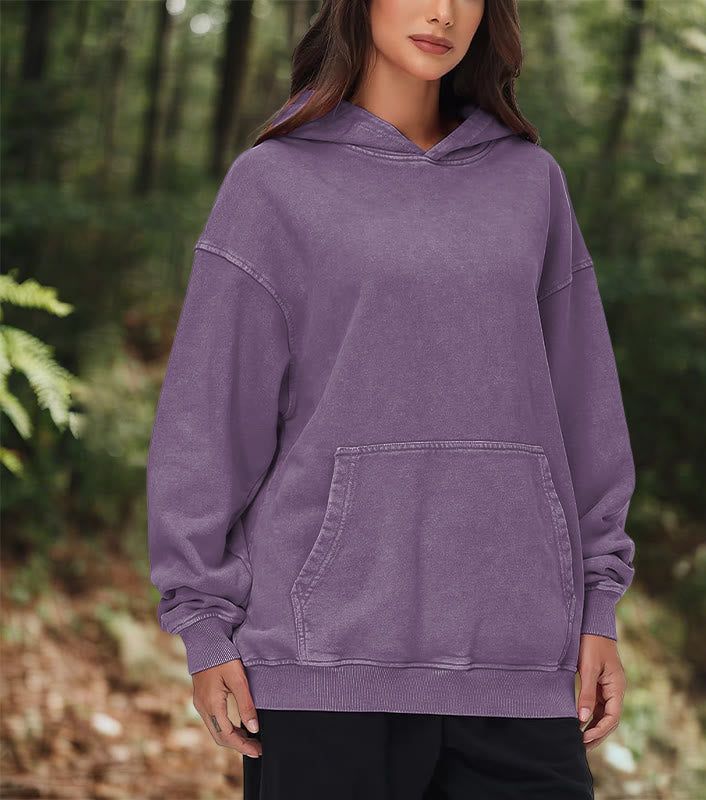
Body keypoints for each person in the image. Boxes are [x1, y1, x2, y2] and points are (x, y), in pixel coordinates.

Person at [146, 0, 637, 797]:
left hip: (518, 663)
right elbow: (207, 422)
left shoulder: (531, 183)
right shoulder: (273, 183)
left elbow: (587, 414)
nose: (442, 12)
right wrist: (203, 624)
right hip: (319, 666)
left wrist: (598, 606)